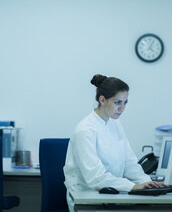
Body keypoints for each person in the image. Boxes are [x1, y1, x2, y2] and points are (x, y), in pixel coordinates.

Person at [63, 74, 166, 211]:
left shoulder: (115, 124)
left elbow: (129, 163)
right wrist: (132, 186)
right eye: (117, 102)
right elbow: (96, 178)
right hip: (86, 197)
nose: (122, 108)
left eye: (125, 103)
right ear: (102, 100)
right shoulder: (85, 130)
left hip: (111, 195)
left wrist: (147, 182)